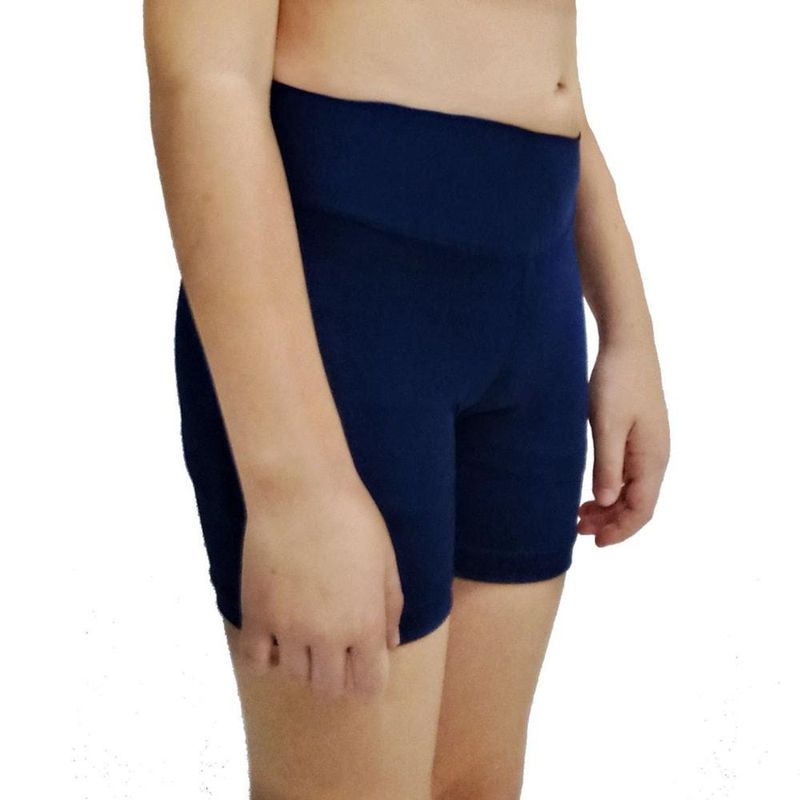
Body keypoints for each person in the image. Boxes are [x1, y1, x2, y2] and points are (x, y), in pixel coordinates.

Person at [144, 1, 670, 798]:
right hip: (348, 302)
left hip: (537, 295)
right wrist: (297, 488)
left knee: (476, 786)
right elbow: (205, 80)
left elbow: (548, 78)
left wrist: (628, 328)